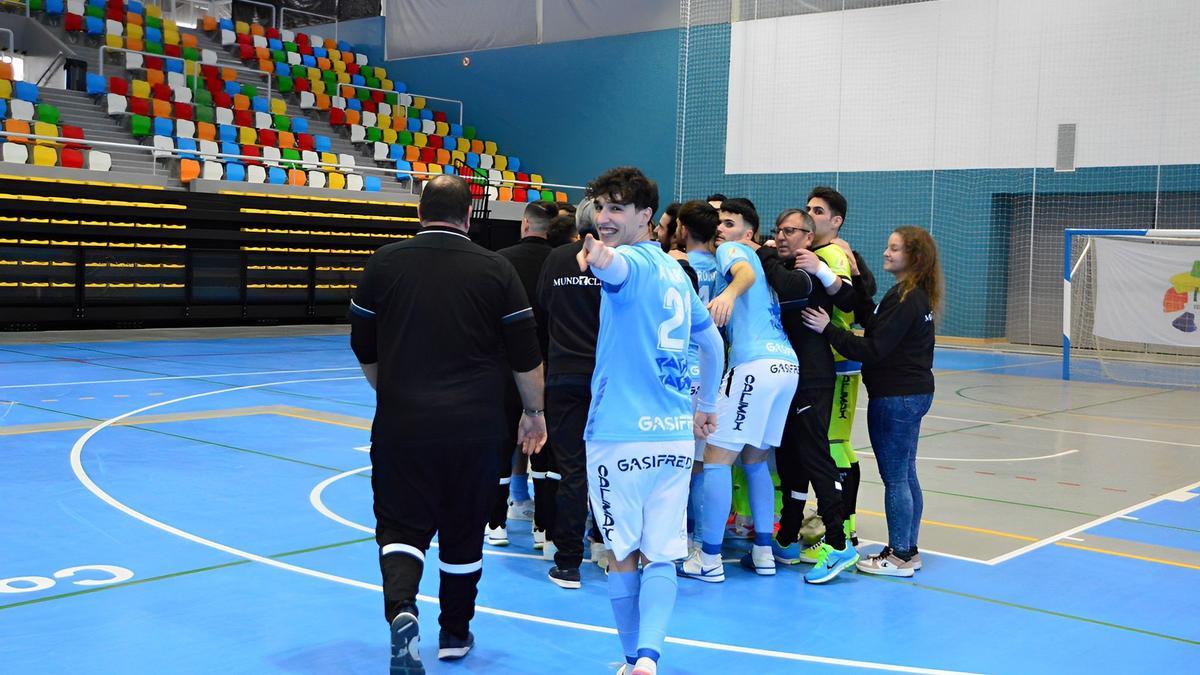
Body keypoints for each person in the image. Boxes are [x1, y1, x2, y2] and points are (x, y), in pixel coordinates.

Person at [348, 174, 548, 673]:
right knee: (463, 530)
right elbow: (526, 355)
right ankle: (455, 633)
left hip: (403, 424)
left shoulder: (384, 262)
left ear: (419, 211)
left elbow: (362, 345)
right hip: (476, 427)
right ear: (467, 216)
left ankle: (402, 610)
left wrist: (389, 391)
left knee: (398, 523)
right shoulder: (496, 269)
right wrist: (534, 414)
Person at [577, 167, 724, 675]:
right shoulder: (676, 275)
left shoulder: (631, 266)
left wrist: (600, 257)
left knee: (622, 555)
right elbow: (713, 343)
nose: (605, 216)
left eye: (617, 208)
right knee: (662, 555)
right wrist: (706, 407)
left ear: (647, 216)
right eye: (601, 207)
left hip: (618, 438)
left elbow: (615, 268)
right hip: (673, 439)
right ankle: (649, 661)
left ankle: (629, 659)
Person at [801, 226, 941, 577]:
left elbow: (873, 349)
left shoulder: (908, 299)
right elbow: (871, 318)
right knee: (906, 474)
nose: (886, 253)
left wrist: (828, 329)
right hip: (911, 393)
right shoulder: (908, 295)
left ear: (915, 257)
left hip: (897, 397)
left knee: (896, 477)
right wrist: (856, 275)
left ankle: (899, 556)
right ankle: (908, 550)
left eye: (894, 249)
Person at [679, 197, 799, 582]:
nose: (722, 229)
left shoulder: (734, 253)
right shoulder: (762, 261)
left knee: (715, 459)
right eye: (719, 223)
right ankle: (763, 551)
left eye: (729, 223)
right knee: (756, 459)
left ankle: (709, 557)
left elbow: (742, 275)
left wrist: (728, 295)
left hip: (754, 365)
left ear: (749, 233)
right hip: (786, 365)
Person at [756, 209, 861, 583]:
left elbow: (789, 286)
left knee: (816, 457)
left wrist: (763, 251)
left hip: (813, 377)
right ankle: (787, 534)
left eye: (790, 231)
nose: (781, 236)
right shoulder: (791, 267)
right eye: (777, 230)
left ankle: (837, 543)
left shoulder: (805, 273)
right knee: (788, 458)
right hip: (790, 375)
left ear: (807, 235)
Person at [487, 201, 559, 548]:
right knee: (545, 446)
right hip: (549, 365)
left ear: (525, 225)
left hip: (505, 367)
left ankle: (496, 522)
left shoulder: (501, 261)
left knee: (502, 443)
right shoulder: (561, 261)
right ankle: (543, 529)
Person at [806, 186, 866, 545]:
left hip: (840, 359)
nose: (810, 214)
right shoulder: (816, 251)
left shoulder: (833, 254)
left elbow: (847, 301)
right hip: (822, 360)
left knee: (835, 442)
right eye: (808, 208)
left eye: (818, 210)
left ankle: (845, 528)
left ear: (836, 220)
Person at [674, 200, 727, 553]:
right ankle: (695, 538)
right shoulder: (724, 269)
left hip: (681, 366)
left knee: (677, 463)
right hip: (710, 369)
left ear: (683, 229)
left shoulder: (677, 265)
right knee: (701, 464)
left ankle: (677, 535)